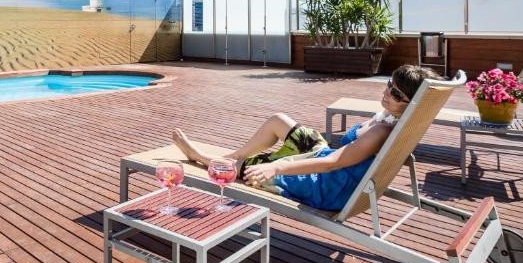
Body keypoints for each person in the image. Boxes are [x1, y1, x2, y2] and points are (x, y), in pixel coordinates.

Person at [172, 64, 441, 212]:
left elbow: (333, 162)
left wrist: (275, 166)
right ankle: (231, 155)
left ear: (411, 105)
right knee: (279, 120)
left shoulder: (382, 131)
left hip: (324, 184)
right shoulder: (389, 116)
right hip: (326, 162)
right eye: (388, 85)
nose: (387, 93)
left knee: (254, 168)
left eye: (396, 94)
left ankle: (206, 159)